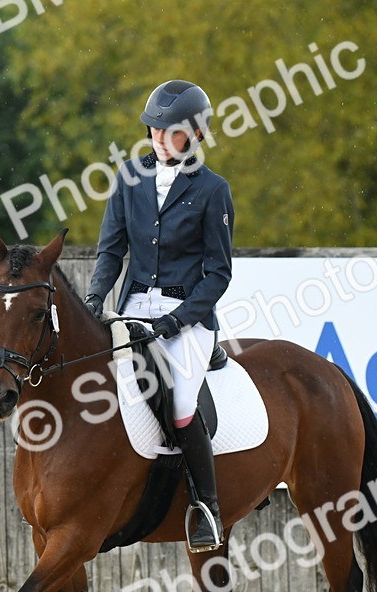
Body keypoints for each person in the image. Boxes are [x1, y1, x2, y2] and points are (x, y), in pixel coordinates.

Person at [84, 79, 234, 553]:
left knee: (182, 403)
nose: (159, 140)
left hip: (184, 315)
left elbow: (218, 273)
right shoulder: (128, 180)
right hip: (131, 307)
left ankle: (206, 508)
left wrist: (179, 320)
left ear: (194, 136)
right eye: (154, 130)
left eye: (171, 133)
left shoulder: (213, 190)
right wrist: (94, 300)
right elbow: (111, 252)